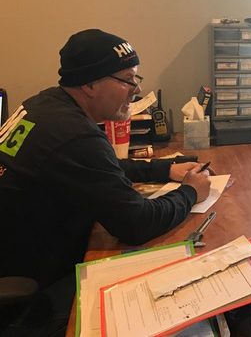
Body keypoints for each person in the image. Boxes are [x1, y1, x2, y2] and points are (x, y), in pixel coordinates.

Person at [0, 29, 211, 334]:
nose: (136, 90)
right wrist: (191, 192)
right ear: (89, 83)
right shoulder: (74, 135)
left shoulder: (46, 105)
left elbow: (99, 167)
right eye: (128, 79)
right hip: (34, 287)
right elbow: (137, 224)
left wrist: (164, 170)